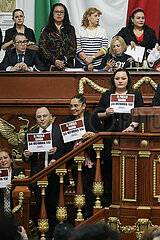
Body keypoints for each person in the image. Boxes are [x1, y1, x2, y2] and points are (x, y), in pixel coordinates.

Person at [22, 107, 66, 239]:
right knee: (42, 210)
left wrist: (56, 153)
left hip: (56, 178)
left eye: (44, 116)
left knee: (54, 210)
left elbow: (68, 150)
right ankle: (44, 237)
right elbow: (24, 157)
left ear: (50, 116)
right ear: (36, 119)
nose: (42, 119)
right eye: (39, 117)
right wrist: (27, 155)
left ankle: (55, 236)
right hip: (37, 177)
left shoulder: (59, 131)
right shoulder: (31, 133)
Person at [62, 94, 103, 219]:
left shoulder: (92, 117)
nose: (73, 108)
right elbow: (64, 141)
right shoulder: (66, 120)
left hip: (90, 160)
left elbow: (101, 134)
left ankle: (89, 217)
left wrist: (93, 135)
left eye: (76, 105)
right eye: (71, 106)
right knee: (80, 190)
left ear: (84, 106)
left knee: (91, 191)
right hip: (75, 161)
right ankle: (81, 217)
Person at [38, 3, 76, 70]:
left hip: (67, 65)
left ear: (65, 14)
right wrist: (54, 60)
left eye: (61, 12)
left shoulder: (70, 29)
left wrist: (63, 60)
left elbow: (73, 47)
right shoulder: (46, 29)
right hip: (50, 65)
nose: (59, 14)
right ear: (52, 14)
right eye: (56, 12)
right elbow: (42, 47)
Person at [0, 148, 25, 215]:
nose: (3, 161)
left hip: (16, 207)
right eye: (0, 159)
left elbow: (27, 189)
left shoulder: (20, 171)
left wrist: (14, 189)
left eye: (5, 158)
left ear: (11, 159)